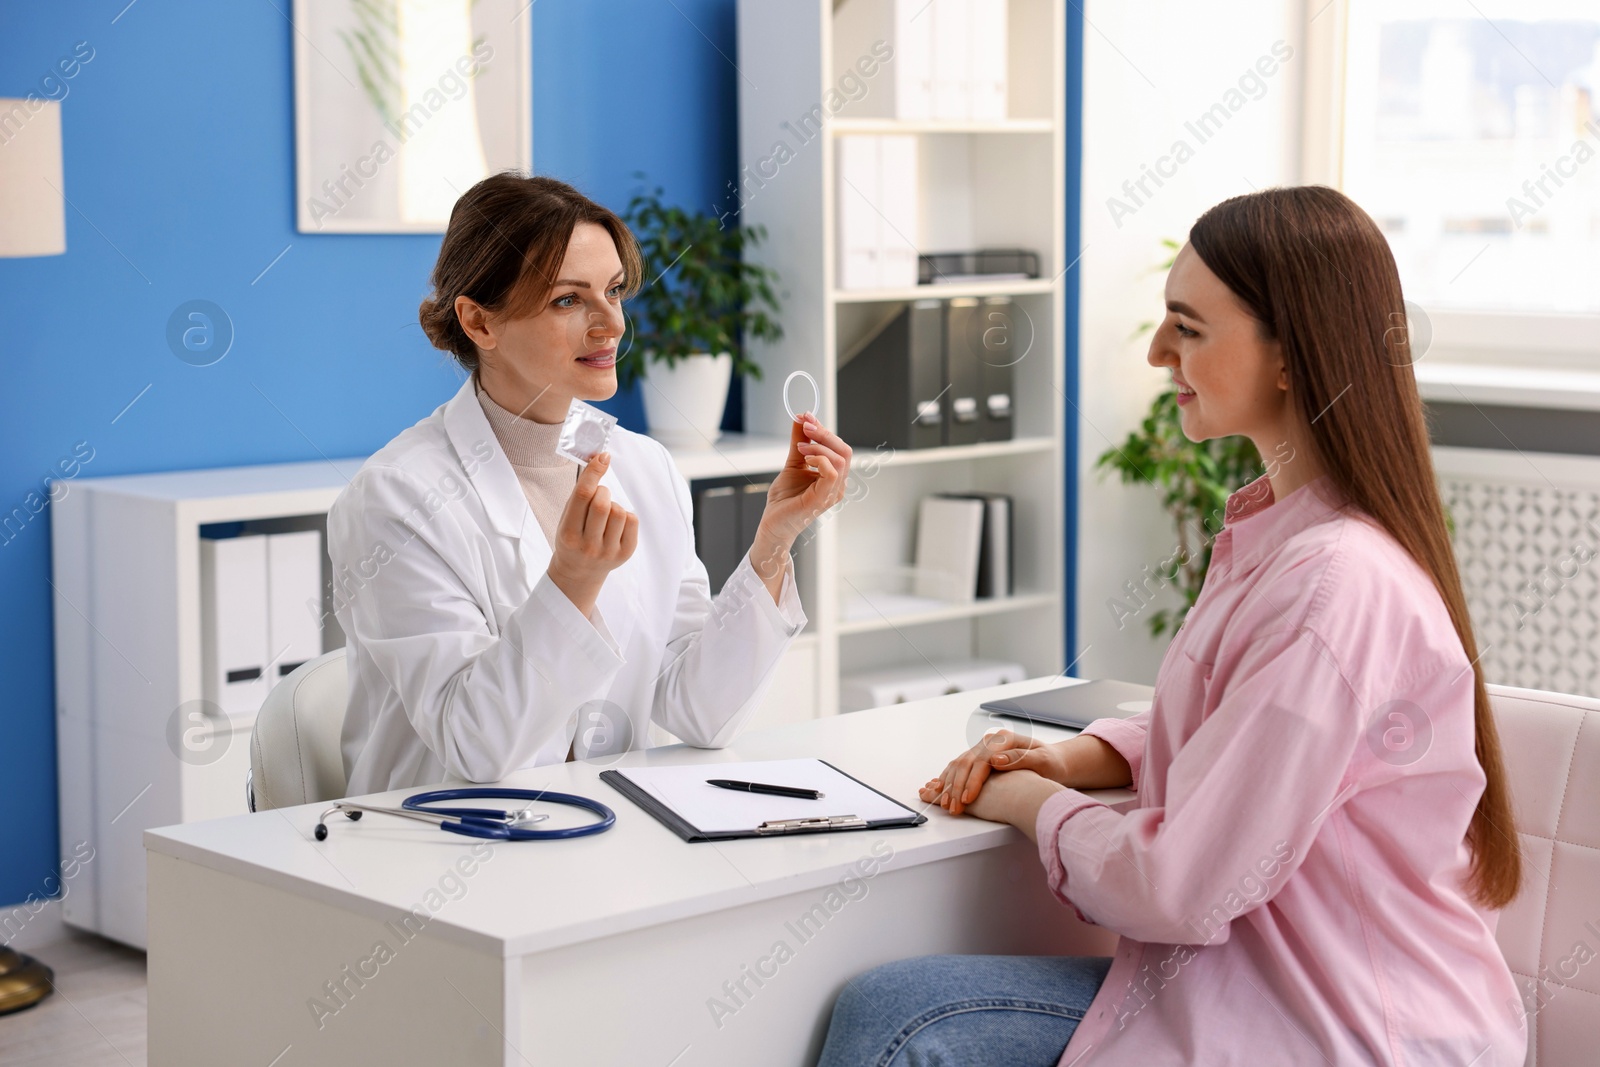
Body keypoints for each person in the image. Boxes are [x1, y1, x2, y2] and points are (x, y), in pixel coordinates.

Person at [816, 186, 1526, 1066]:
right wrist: (1088, 754)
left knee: (899, 1019)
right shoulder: (1289, 537)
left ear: (1290, 356)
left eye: (1186, 328)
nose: (1157, 353)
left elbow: (1181, 886)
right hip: (1268, 985)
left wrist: (1032, 801)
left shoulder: (1333, 585)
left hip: (1347, 1030)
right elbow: (1254, 736)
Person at [328, 173, 851, 794]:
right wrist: (571, 583)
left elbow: (698, 710)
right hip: (440, 846)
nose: (611, 325)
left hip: (607, 838)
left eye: (613, 292)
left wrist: (773, 543)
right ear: (479, 321)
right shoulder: (398, 497)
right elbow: (474, 745)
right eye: (568, 300)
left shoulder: (645, 468)